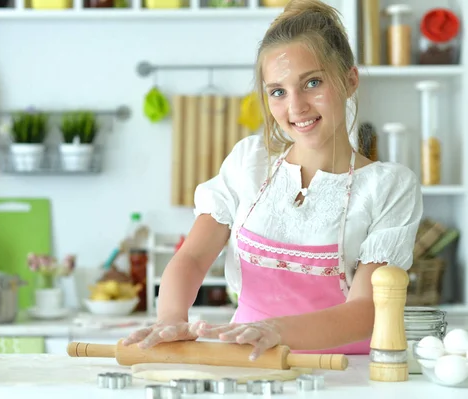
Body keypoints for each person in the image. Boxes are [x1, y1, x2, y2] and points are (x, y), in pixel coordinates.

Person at [123, 0, 423, 360]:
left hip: (345, 373)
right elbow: (192, 256)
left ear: (349, 80)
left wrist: (275, 330)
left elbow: (366, 311)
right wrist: (170, 318)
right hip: (250, 364)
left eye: (312, 83)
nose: (295, 107)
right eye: (278, 91)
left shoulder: (388, 187)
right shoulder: (249, 164)